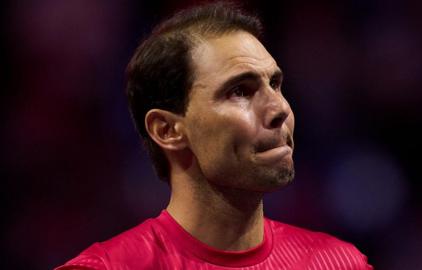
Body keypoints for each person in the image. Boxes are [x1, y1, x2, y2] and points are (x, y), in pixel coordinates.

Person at [56, 2, 372, 269]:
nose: (280, 109)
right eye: (239, 91)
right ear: (167, 130)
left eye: (275, 84)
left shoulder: (339, 262)